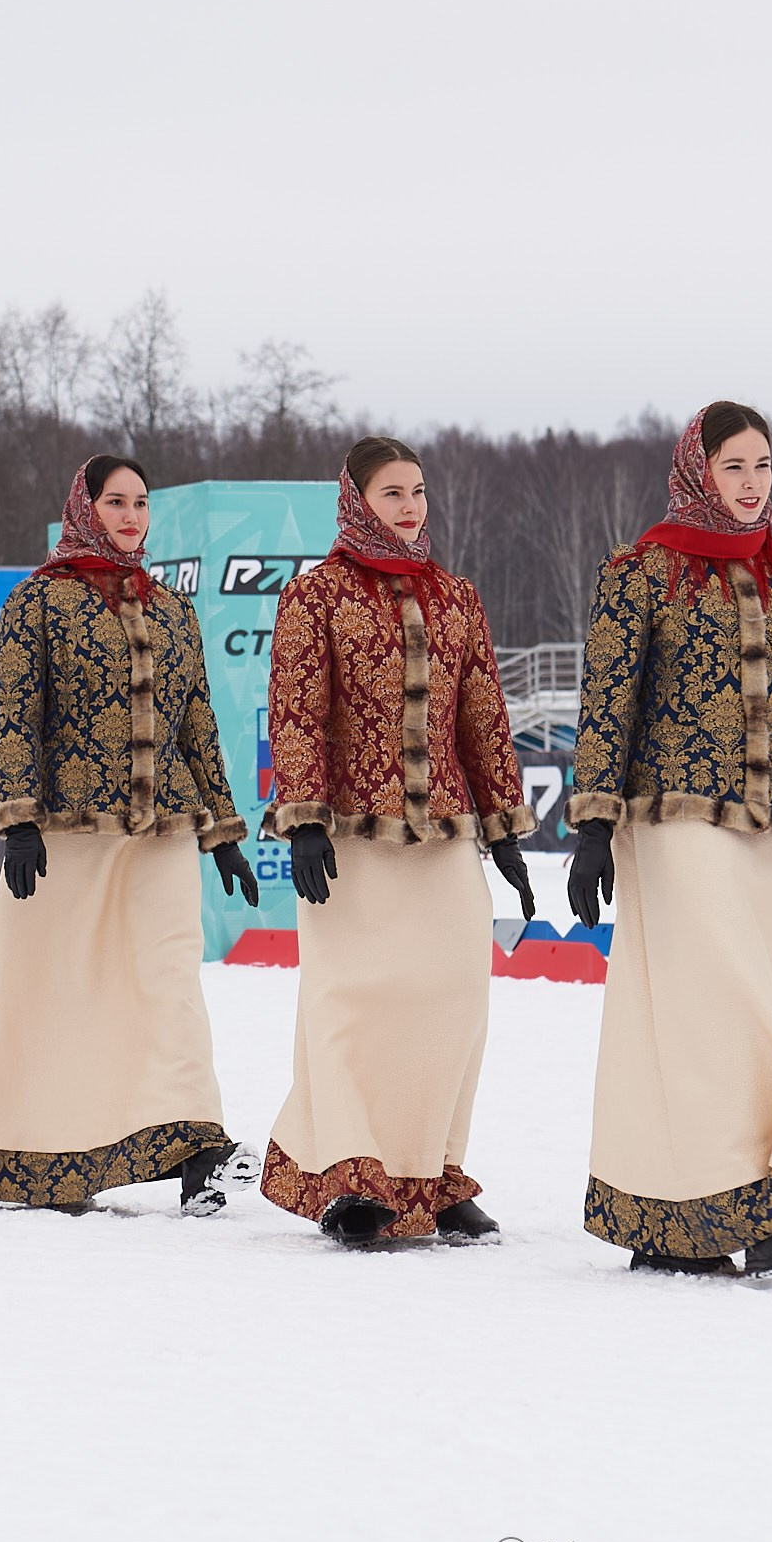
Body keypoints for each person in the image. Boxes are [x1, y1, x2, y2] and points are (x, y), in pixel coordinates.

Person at [566, 402, 772, 1280]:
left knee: (770, 1005)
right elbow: (609, 703)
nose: (753, 484)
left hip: (766, 832)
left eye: (764, 466)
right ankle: (705, 1205)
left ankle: (764, 1194)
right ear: (697, 472)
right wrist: (593, 826)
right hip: (673, 826)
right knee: (716, 1013)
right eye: (735, 467)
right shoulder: (641, 574)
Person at [0, 457, 262, 1215]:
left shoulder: (174, 609)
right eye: (114, 500)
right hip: (66, 831)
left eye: (140, 502)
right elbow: (15, 715)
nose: (130, 514)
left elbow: (197, 725)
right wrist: (18, 821)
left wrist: (221, 830)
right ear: (85, 508)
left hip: (160, 829)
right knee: (61, 989)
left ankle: (196, 1148)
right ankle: (45, 1152)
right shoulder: (39, 600)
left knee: (170, 979)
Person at [256, 438, 535, 1245]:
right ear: (356, 501)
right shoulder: (316, 597)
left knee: (456, 996)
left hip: (443, 831)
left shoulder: (456, 597)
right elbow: (297, 713)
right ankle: (351, 1174)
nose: (410, 506)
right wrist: (303, 817)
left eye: (418, 491)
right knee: (350, 1004)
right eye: (392, 493)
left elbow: (483, 719)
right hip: (350, 836)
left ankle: (439, 1173)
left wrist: (505, 830)